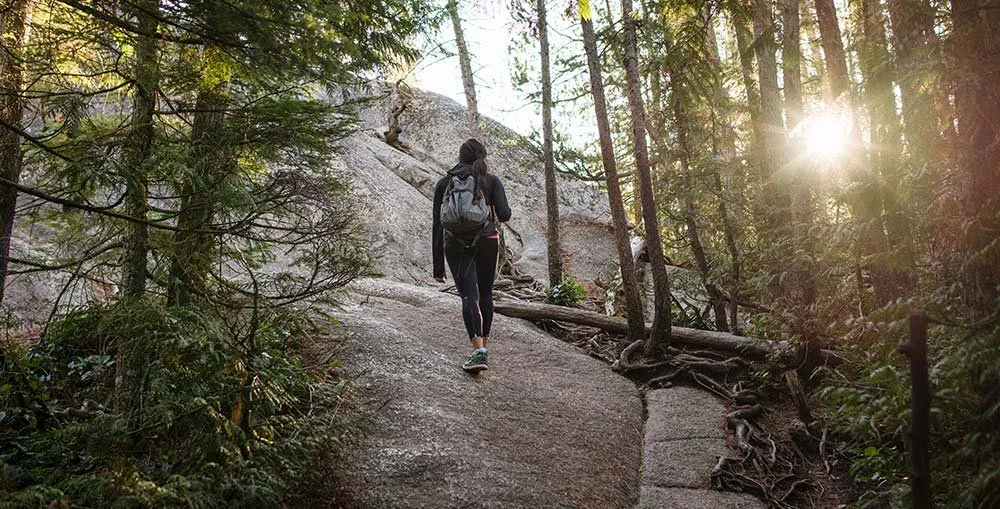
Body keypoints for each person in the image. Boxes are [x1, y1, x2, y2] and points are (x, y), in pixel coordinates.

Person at [432, 139, 512, 372]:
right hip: (486, 240)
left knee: (468, 295)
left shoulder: (445, 182)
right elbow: (505, 215)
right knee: (485, 293)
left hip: (454, 243)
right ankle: (484, 346)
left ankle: (478, 351)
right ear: (482, 158)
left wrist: (438, 267)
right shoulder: (490, 180)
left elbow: (437, 224)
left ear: (459, 157)